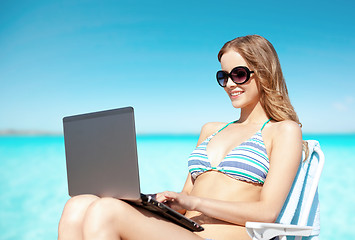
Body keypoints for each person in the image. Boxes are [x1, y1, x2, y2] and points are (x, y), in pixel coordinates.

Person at [58, 35, 305, 240]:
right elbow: (186, 199)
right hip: (185, 230)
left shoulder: (283, 130)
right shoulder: (211, 130)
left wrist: (194, 202)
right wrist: (165, 203)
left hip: (220, 236)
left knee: (107, 210)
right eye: (223, 77)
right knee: (78, 204)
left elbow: (267, 213)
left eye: (238, 74)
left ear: (263, 73)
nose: (230, 84)